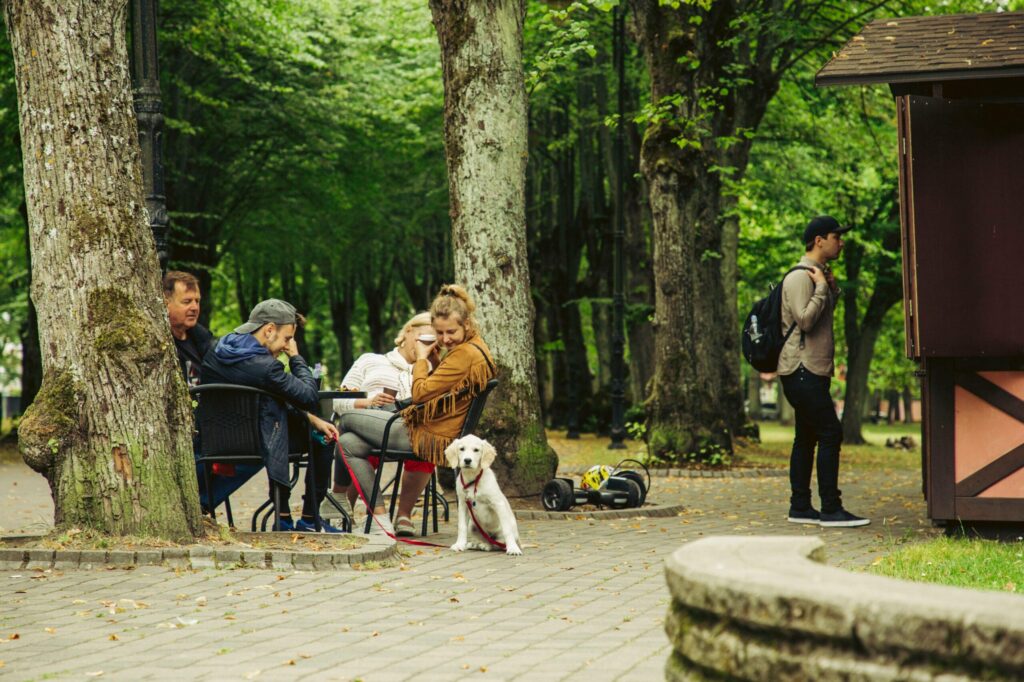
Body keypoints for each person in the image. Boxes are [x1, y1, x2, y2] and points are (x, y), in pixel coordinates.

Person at [337, 285, 496, 536]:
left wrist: (422, 358)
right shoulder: (474, 348)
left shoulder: (464, 354)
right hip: (435, 430)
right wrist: (435, 361)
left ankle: (336, 503)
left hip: (426, 435)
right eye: (440, 333)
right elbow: (443, 390)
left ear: (466, 324)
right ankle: (380, 520)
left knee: (346, 420)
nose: (445, 339)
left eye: (451, 332)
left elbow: (421, 393)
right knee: (348, 443)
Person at [201, 298, 341, 532]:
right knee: (323, 438)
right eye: (287, 338)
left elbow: (267, 399)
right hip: (260, 443)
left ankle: (284, 516)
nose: (286, 345)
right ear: (268, 330)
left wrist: (310, 418)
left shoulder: (216, 351)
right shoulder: (266, 367)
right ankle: (309, 519)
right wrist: (295, 357)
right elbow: (309, 396)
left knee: (286, 421)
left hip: (216, 441)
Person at [778, 215, 869, 528]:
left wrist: (831, 290)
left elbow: (819, 319)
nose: (841, 243)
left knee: (806, 436)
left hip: (811, 369)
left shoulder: (816, 276)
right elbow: (805, 320)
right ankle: (831, 508)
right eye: (836, 237)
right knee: (831, 432)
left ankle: (800, 507)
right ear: (819, 240)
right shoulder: (800, 277)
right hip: (801, 369)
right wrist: (820, 287)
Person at [328, 312, 436, 537]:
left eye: (433, 342)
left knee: (424, 444)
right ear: (408, 332)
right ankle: (349, 512)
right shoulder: (370, 360)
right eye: (424, 338)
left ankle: (401, 515)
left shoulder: (430, 371)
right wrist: (368, 402)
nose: (427, 346)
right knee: (351, 439)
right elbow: (338, 401)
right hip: (366, 428)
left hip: (406, 433)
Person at [163, 271, 213, 386]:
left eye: (197, 301)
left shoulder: (202, 340)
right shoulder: (158, 344)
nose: (195, 308)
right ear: (166, 303)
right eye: (187, 302)